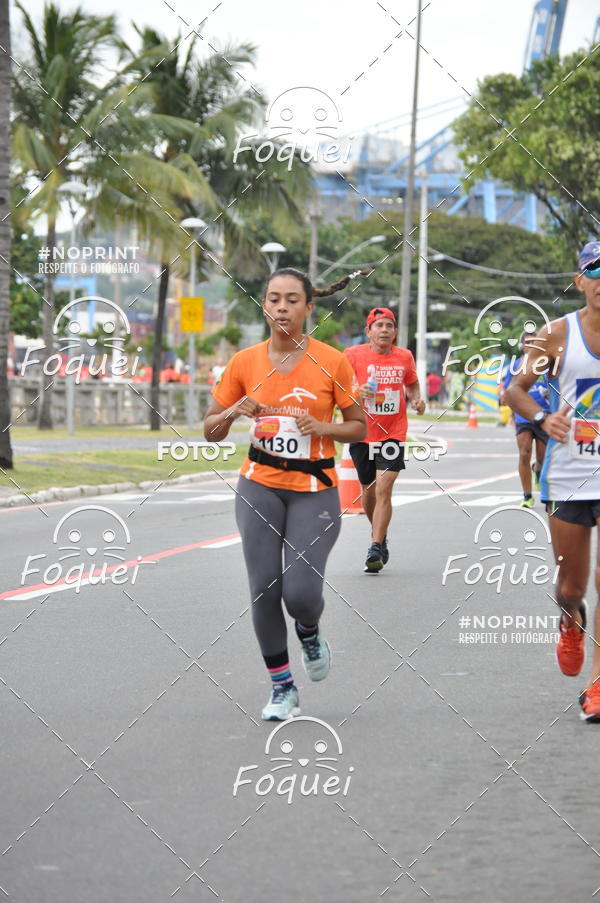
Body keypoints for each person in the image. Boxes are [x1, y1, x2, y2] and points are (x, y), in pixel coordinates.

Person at [203, 268, 366, 721]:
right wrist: (236, 409)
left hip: (315, 489)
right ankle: (282, 688)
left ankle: (309, 631)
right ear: (264, 304)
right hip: (259, 485)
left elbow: (359, 426)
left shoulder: (332, 361)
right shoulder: (244, 363)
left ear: (309, 308)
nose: (281, 308)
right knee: (263, 588)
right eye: (273, 299)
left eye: (292, 300)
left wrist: (325, 426)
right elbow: (210, 431)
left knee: (300, 594)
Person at [505, 240, 600, 722]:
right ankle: (571, 621)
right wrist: (544, 418)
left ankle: (598, 684)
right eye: (595, 269)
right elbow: (515, 390)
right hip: (568, 476)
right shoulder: (557, 335)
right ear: (580, 279)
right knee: (572, 586)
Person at [344, 307, 426, 573]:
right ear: (368, 331)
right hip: (361, 431)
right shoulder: (353, 355)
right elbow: (340, 387)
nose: (384, 330)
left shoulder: (404, 357)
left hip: (393, 431)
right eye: (379, 326)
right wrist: (357, 391)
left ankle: (375, 545)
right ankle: (380, 534)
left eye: (389, 326)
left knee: (384, 488)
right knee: (367, 491)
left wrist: (416, 398)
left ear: (395, 332)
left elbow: (412, 383)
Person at [500, 331, 550, 507]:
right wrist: (504, 399)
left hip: (544, 416)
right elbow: (507, 390)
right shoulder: (515, 366)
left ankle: (538, 470)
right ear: (522, 346)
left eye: (534, 342)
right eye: (528, 342)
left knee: (544, 459)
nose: (530, 345)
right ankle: (527, 496)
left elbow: (556, 388)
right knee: (524, 453)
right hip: (523, 416)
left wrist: (548, 393)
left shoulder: (545, 365)